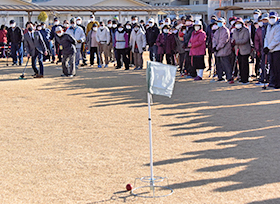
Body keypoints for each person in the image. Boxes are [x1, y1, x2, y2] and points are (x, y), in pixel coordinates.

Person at [213, 18, 234, 83]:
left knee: (226, 64)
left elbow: (224, 40)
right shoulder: (217, 31)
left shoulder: (225, 30)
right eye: (218, 22)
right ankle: (220, 76)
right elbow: (214, 39)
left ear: (224, 23)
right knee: (218, 64)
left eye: (220, 22)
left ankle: (229, 77)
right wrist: (214, 47)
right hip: (217, 51)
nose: (219, 23)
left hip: (224, 51)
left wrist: (217, 47)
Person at [232, 18, 251, 84]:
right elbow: (233, 38)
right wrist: (233, 42)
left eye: (239, 23)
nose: (238, 25)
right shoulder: (234, 31)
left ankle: (246, 78)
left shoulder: (246, 30)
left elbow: (245, 40)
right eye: (236, 23)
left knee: (244, 64)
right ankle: (241, 77)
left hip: (245, 50)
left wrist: (236, 42)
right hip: (238, 50)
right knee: (239, 64)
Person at [264, 11, 280, 89]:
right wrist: (266, 47)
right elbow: (266, 38)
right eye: (270, 18)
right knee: (272, 67)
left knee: (278, 67)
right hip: (270, 50)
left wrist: (269, 47)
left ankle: (278, 83)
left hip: (277, 50)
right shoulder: (269, 26)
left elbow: (277, 39)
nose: (271, 19)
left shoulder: (278, 26)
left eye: (273, 18)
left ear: (277, 18)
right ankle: (273, 82)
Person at [255, 13, 269, 86]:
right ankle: (263, 78)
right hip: (262, 49)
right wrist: (258, 49)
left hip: (270, 49)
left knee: (269, 65)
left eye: (266, 19)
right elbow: (257, 40)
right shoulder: (260, 29)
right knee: (263, 64)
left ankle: (268, 78)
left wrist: (268, 47)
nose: (264, 21)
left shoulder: (270, 27)